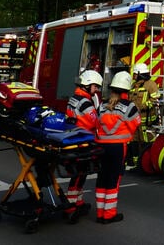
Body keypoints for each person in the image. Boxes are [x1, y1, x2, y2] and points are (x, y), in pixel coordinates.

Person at [95, 71, 139, 224]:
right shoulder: (129, 106)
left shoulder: (102, 105)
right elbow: (135, 125)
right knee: (114, 180)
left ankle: (100, 213)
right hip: (118, 148)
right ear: (127, 90)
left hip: (101, 146)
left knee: (102, 178)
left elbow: (96, 123)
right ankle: (109, 214)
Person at [65, 69, 102, 217]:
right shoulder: (86, 102)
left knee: (79, 173)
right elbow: (95, 121)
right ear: (87, 85)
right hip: (84, 141)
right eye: (95, 86)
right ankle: (71, 203)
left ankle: (77, 200)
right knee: (80, 173)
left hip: (75, 139)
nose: (97, 89)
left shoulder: (74, 97)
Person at [128, 62, 159, 168]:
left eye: (135, 74)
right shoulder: (133, 85)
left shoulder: (151, 84)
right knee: (134, 140)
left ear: (140, 74)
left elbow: (155, 99)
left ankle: (147, 163)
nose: (134, 76)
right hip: (134, 119)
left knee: (146, 141)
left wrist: (142, 106)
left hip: (146, 120)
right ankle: (137, 163)